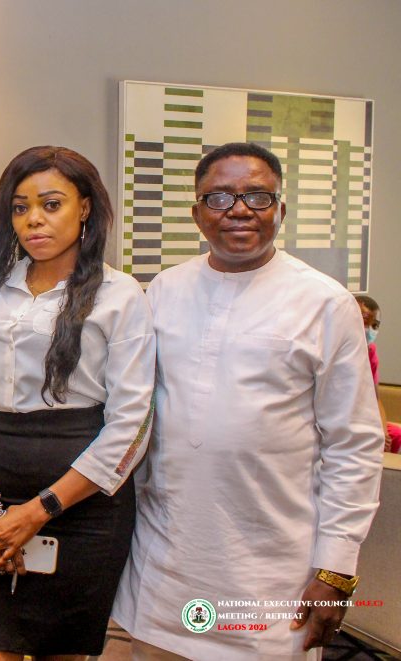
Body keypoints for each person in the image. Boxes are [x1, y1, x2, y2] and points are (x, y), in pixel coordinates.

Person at [112, 142, 384, 660]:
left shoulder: (326, 304)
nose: (238, 209)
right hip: (164, 571)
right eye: (218, 198)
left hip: (273, 576)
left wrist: (337, 569)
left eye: (257, 196)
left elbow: (354, 445)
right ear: (197, 213)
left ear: (280, 209)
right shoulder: (163, 291)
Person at [0, 146, 155, 660]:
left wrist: (40, 510)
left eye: (51, 203)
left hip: (81, 505)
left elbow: (131, 423)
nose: (34, 219)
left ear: (85, 208)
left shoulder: (120, 295)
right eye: (20, 207)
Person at [356, 295, 401, 453]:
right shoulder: (330, 350)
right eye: (365, 324)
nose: (370, 330)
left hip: (364, 417)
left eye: (375, 326)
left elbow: (376, 399)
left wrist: (383, 432)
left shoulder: (370, 353)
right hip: (340, 421)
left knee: (396, 435)